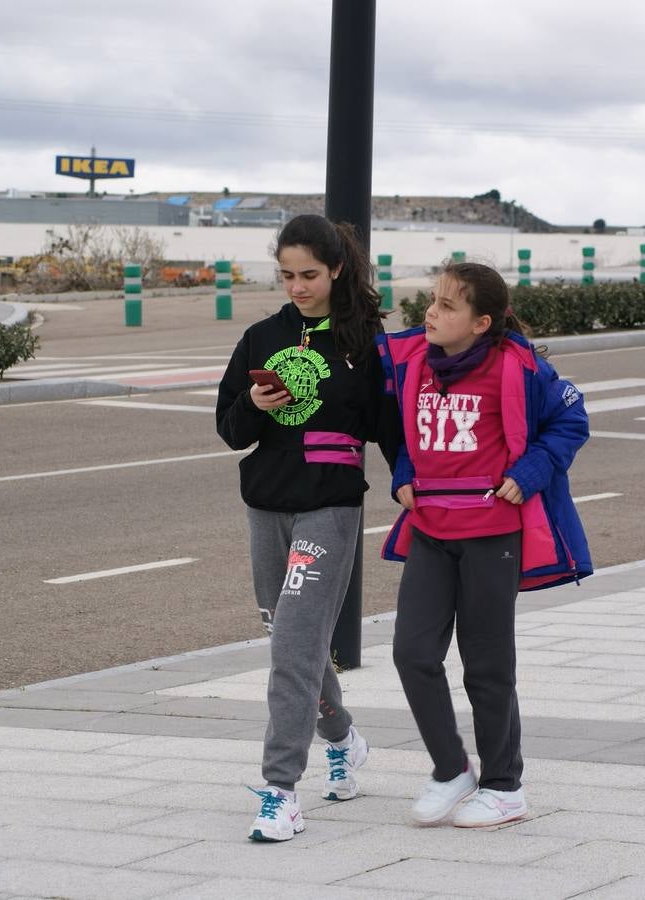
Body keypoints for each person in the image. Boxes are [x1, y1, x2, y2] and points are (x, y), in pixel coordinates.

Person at [376, 260, 591, 828]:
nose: (432, 311)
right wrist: (402, 475)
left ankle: (504, 787)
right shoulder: (415, 361)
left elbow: (571, 420)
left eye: (449, 305)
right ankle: (451, 771)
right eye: (433, 300)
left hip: (493, 535)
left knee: (486, 667)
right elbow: (405, 433)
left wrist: (533, 469)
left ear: (481, 322)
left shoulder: (517, 368)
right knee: (412, 655)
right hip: (429, 531)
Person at [216, 213, 397, 843]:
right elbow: (230, 431)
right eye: (287, 275)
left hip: (330, 506)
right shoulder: (261, 337)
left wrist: (410, 484)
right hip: (266, 504)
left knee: (294, 643)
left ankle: (279, 792)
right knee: (289, 638)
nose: (297, 286)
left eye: (309, 275)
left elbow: (390, 426)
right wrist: (253, 405)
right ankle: (344, 739)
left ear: (337, 270)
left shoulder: (367, 342)